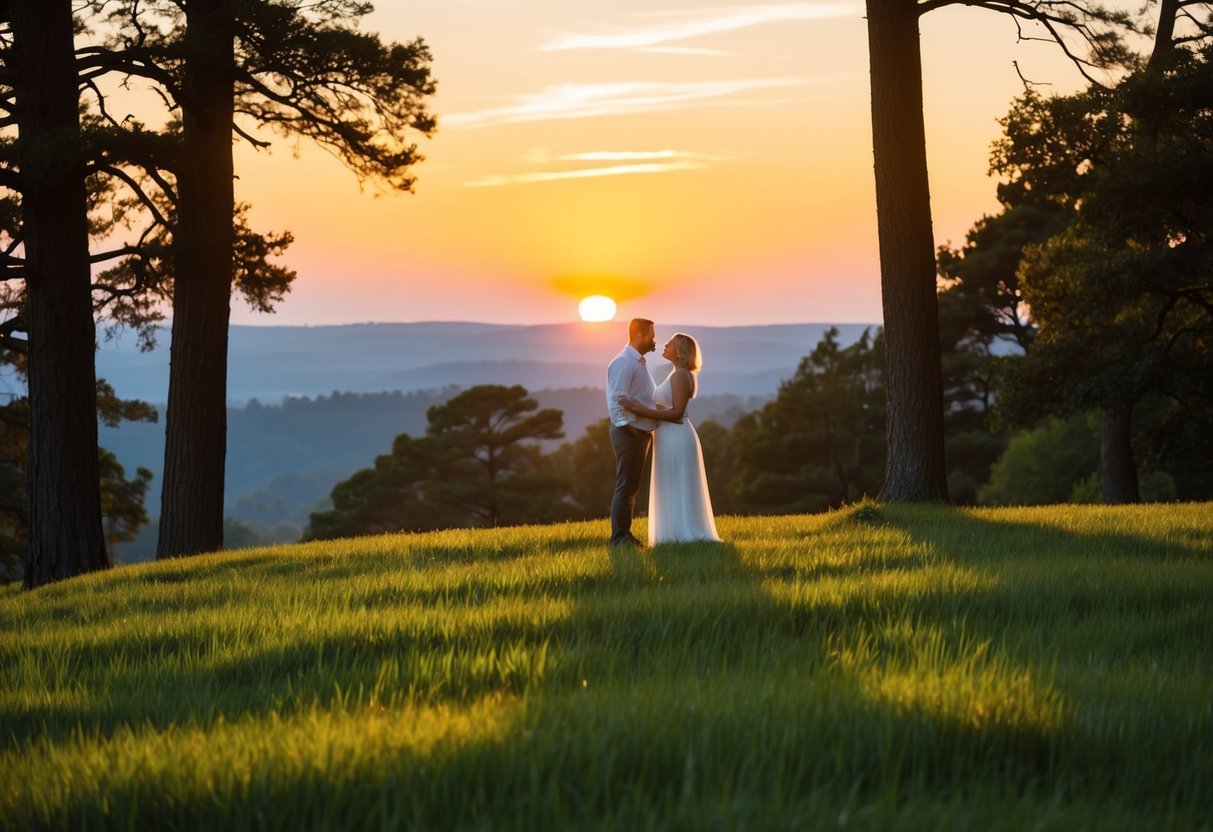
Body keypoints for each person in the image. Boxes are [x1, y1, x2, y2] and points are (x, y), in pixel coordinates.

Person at [623, 333, 720, 545]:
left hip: (675, 435)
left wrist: (637, 409)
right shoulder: (678, 374)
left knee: (676, 482)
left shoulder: (680, 376)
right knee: (672, 483)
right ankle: (673, 534)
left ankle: (681, 534)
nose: (664, 346)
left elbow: (676, 413)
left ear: (679, 351)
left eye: (670, 344)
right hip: (669, 434)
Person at [605, 318, 658, 547]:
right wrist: (632, 431)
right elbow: (617, 400)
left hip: (638, 431)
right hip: (629, 432)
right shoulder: (624, 362)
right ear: (639, 335)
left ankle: (624, 535)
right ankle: (620, 538)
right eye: (651, 335)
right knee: (626, 487)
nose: (654, 340)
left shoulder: (638, 363)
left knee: (631, 488)